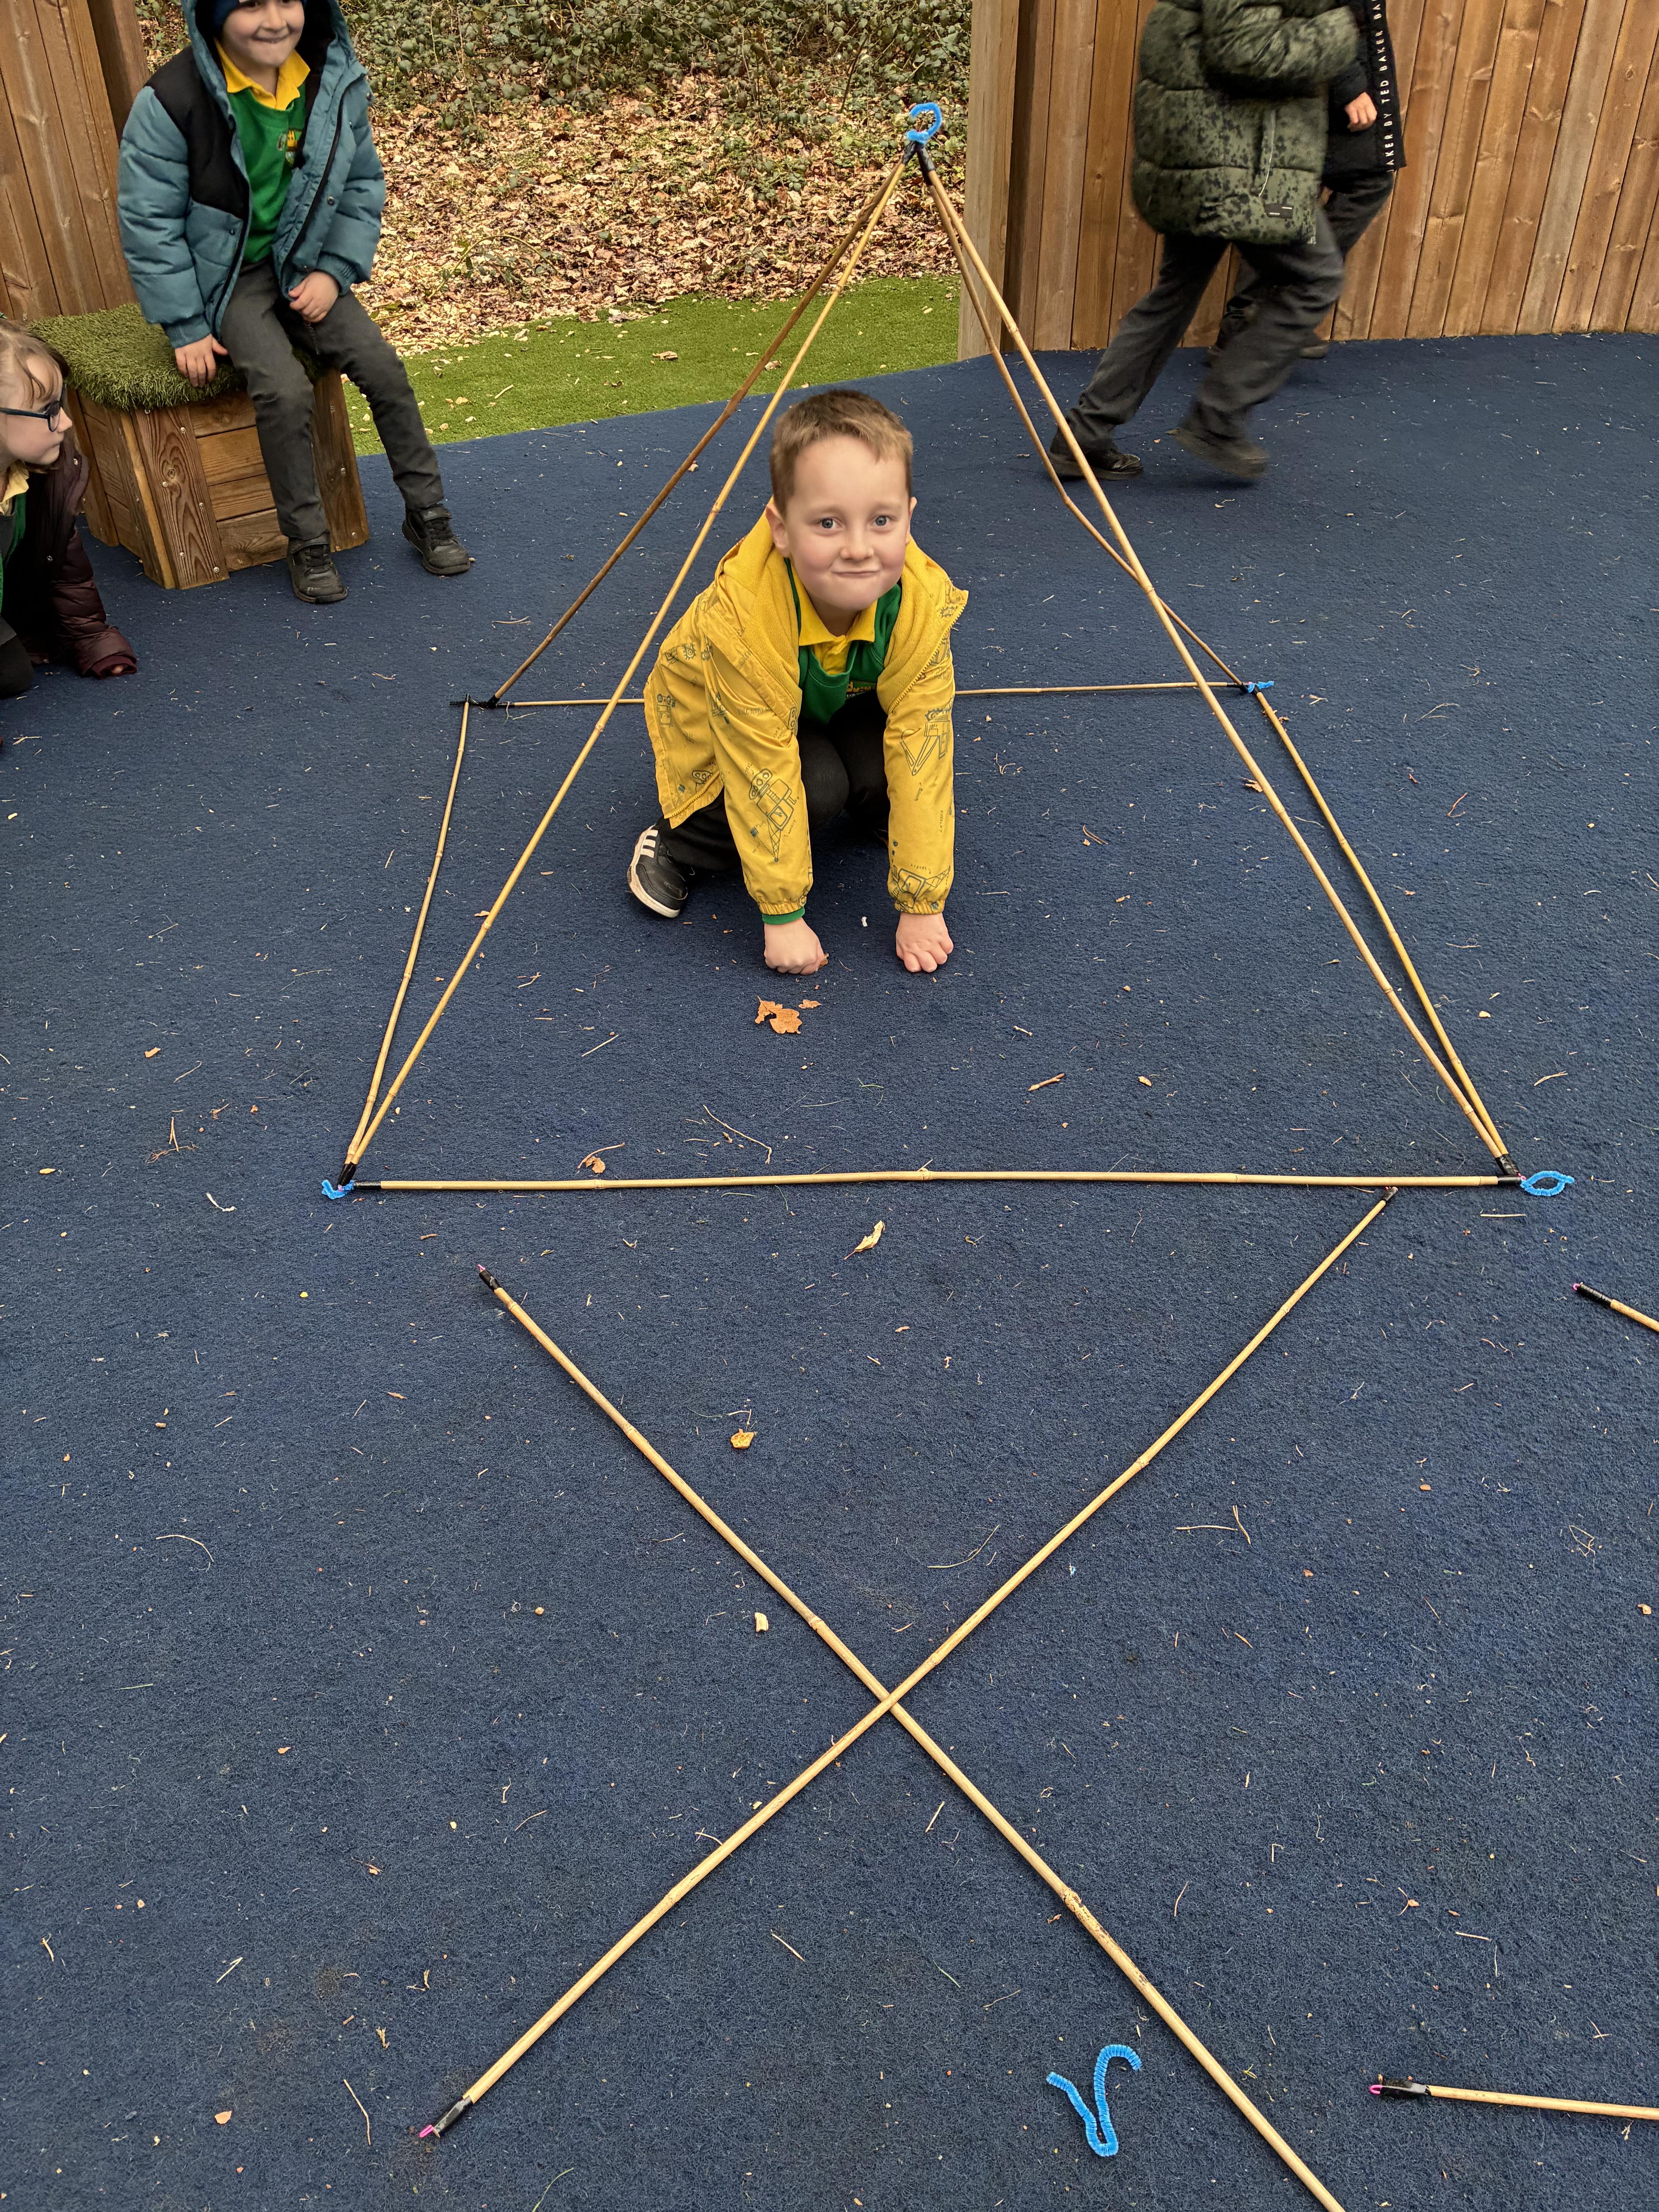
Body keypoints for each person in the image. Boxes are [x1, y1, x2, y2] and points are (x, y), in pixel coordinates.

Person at [117, 0, 469, 605]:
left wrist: (334, 271)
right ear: (214, 14)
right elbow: (149, 222)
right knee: (283, 390)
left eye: (287, 0)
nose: (274, 19)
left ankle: (428, 514)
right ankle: (307, 542)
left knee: (382, 368)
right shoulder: (170, 100)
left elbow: (360, 183)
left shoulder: (330, 79)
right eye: (250, 5)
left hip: (306, 263)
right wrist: (186, 326)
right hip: (230, 278)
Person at [626, 389, 964, 978]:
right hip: (723, 720)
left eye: (882, 521)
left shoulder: (920, 604)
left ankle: (865, 801)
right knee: (815, 788)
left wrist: (923, 902)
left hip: (827, 698)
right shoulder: (746, 619)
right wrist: (782, 916)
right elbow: (761, 765)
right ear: (781, 530)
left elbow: (924, 746)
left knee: (889, 774)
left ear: (909, 518)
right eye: (828, 523)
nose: (858, 549)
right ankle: (682, 842)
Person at [1049, 0, 1359, 485]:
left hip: (1207, 149)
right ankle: (1218, 419)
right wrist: (1338, 30)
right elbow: (1246, 48)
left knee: (1176, 292)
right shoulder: (1330, 22)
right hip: (1237, 160)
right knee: (1315, 279)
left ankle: (1084, 435)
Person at [1213, 0, 1405, 362]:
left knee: (1289, 195)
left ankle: (1251, 321)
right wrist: (1349, 84)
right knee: (1290, 196)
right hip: (1312, 73)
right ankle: (1266, 313)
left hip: (1314, 70)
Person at [0, 320, 136, 718]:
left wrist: (90, 639)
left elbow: (64, 567)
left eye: (59, 405)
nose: (65, 423)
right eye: (48, 411)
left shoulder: (42, 474)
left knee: (14, 674)